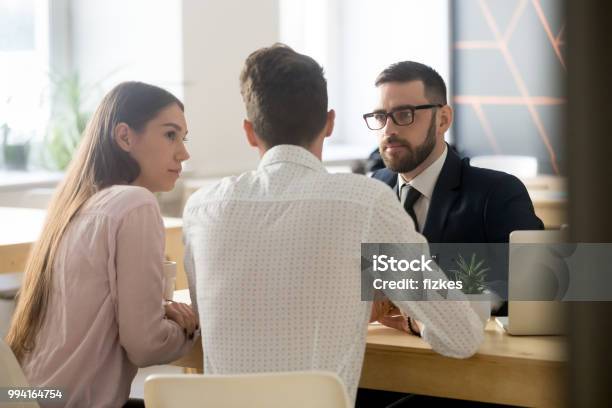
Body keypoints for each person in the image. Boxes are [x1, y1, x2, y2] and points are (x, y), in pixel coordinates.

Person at [183, 44, 483, 405]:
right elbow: (462, 337)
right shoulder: (365, 205)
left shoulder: (201, 209)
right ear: (329, 123)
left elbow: (209, 324)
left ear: (249, 131)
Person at [6, 82, 198, 408]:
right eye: (170, 135)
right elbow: (145, 345)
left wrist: (156, 311)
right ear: (124, 137)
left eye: (184, 139)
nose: (183, 153)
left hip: (29, 397)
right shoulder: (135, 203)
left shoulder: (77, 204)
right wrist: (189, 327)